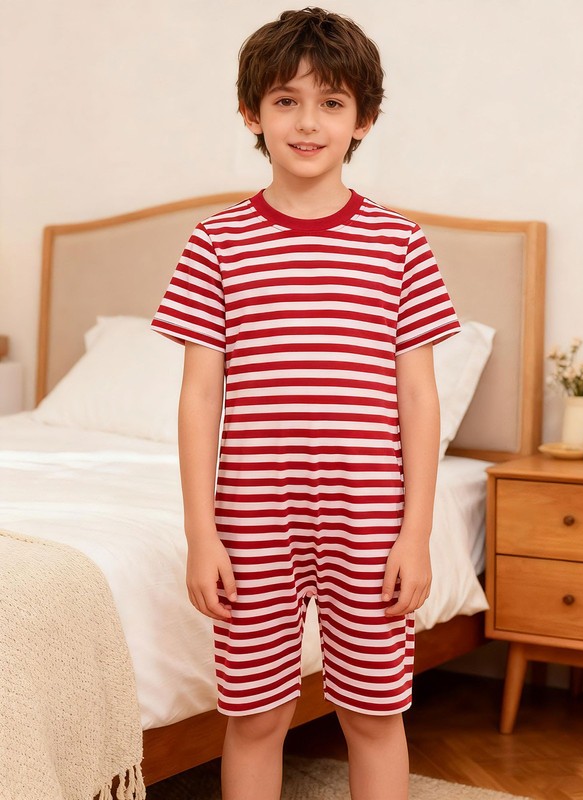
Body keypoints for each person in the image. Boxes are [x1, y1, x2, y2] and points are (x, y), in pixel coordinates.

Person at [151, 8, 460, 799]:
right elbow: (199, 397)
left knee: (374, 713)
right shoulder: (216, 243)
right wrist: (201, 534)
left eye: (331, 102)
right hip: (252, 514)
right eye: (286, 101)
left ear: (364, 119)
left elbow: (419, 398)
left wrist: (416, 532)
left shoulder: (401, 245)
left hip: (370, 514)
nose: (308, 122)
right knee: (255, 715)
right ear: (251, 113)